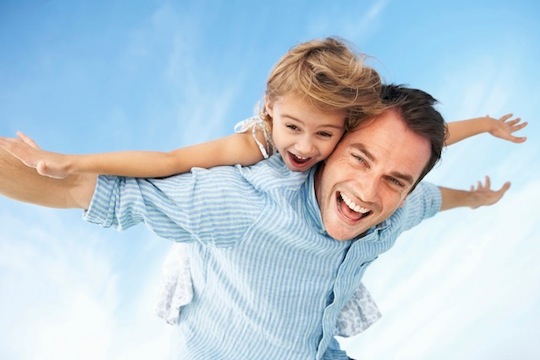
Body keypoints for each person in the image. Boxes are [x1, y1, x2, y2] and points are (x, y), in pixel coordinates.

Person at [0, 82, 519, 359]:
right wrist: (52, 164)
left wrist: (476, 200)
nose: (368, 192)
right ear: (333, 142)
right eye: (359, 158)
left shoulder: (401, 204)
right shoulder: (244, 202)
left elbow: (434, 196)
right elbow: (76, 188)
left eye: (396, 179)